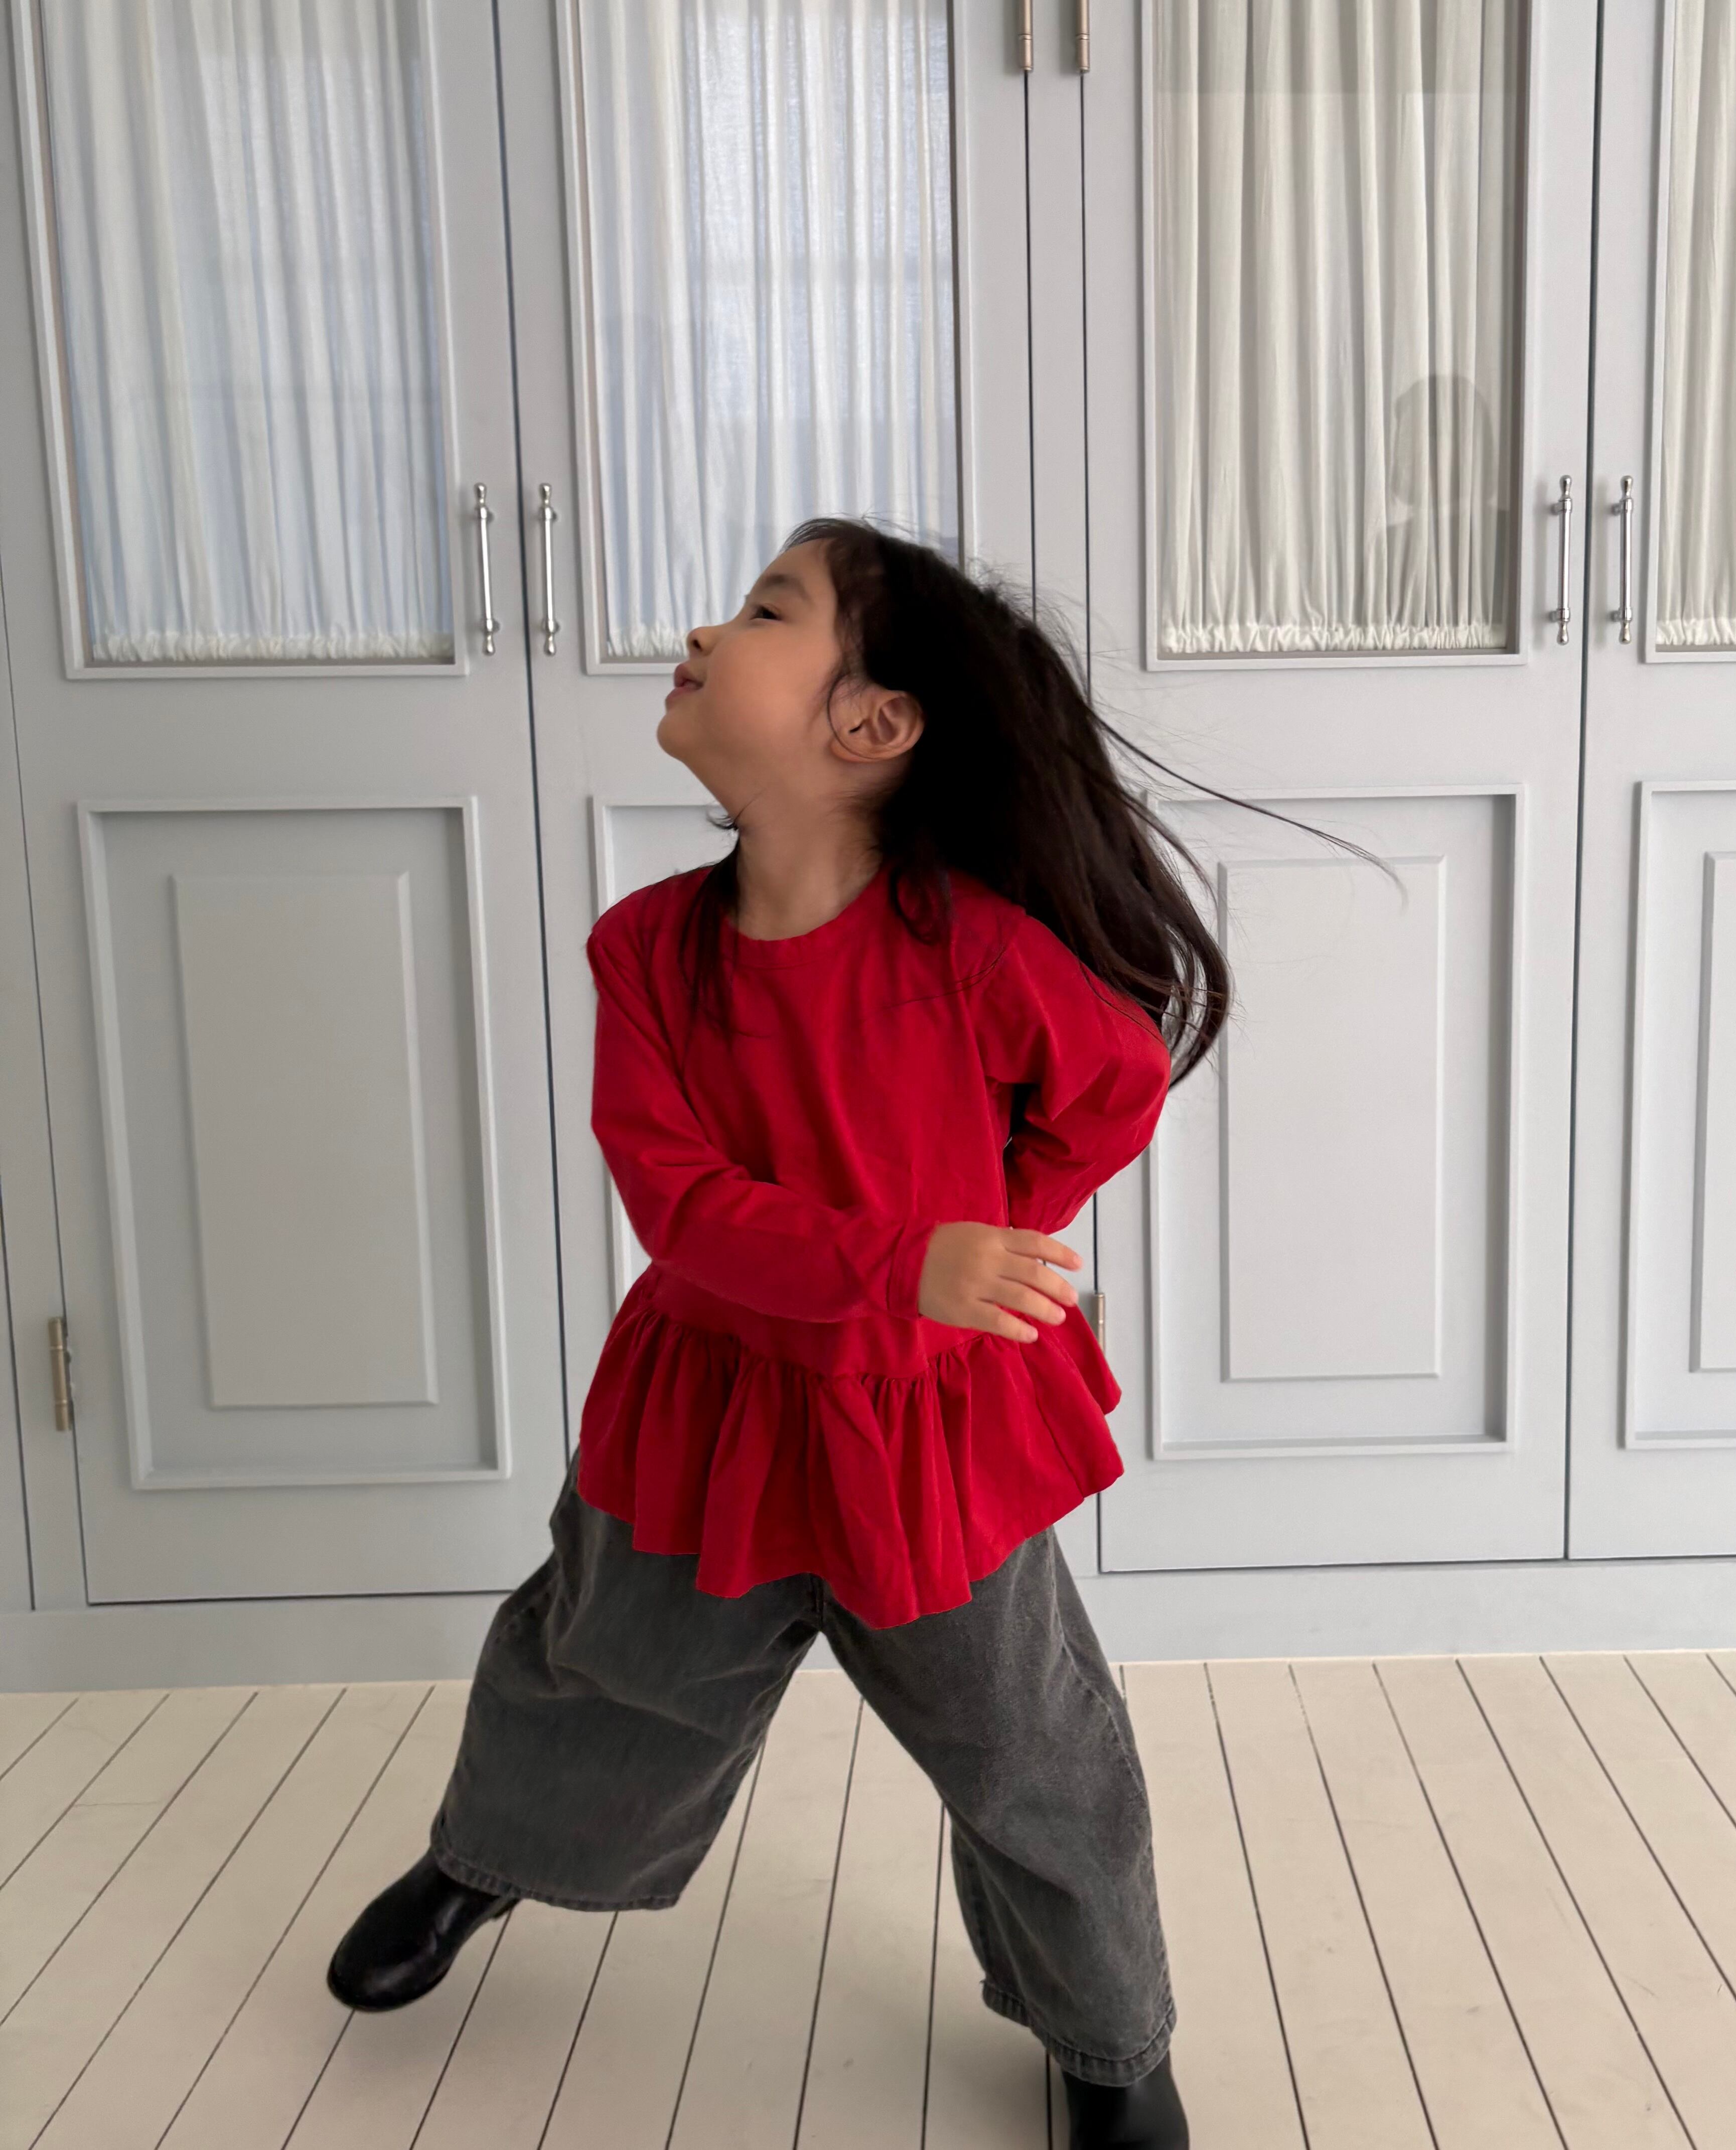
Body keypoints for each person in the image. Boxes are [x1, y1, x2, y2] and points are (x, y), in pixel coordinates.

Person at [323, 514, 1390, 2148]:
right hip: (710, 1414)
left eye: (765, 610)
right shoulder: (647, 951)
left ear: (872, 721)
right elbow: (680, 1204)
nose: (705, 628)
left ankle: (1107, 2035)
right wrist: (908, 1256)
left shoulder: (974, 948)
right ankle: (483, 1858)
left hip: (926, 1429)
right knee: (599, 1667)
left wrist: (992, 1228)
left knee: (1024, 1744)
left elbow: (1112, 1080)